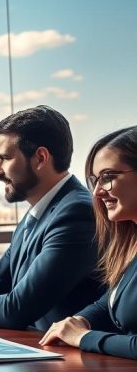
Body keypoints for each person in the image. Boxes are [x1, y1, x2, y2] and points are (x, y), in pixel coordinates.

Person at [0, 106, 104, 330]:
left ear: (40, 158)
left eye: (5, 158)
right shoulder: (36, 214)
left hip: (72, 361)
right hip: (39, 351)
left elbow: (17, 309)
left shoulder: (77, 213)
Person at [40, 126, 137, 359]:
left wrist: (83, 337)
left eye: (108, 177)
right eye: (94, 180)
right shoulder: (130, 244)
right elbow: (112, 302)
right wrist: (78, 321)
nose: (96, 192)